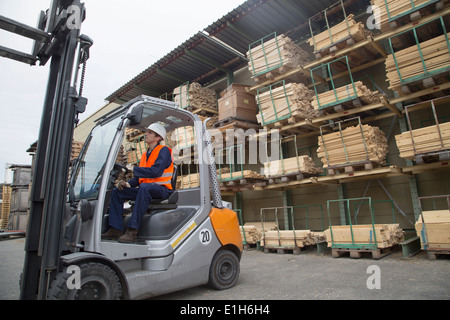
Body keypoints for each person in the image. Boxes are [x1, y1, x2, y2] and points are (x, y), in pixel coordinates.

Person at [101, 123, 174, 243]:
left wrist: (134, 169)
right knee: (117, 192)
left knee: (144, 188)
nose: (146, 134)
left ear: (158, 138)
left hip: (162, 190)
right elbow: (140, 177)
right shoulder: (145, 155)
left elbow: (156, 172)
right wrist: (128, 184)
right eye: (147, 131)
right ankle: (115, 228)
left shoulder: (164, 151)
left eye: (150, 132)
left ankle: (132, 230)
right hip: (146, 189)